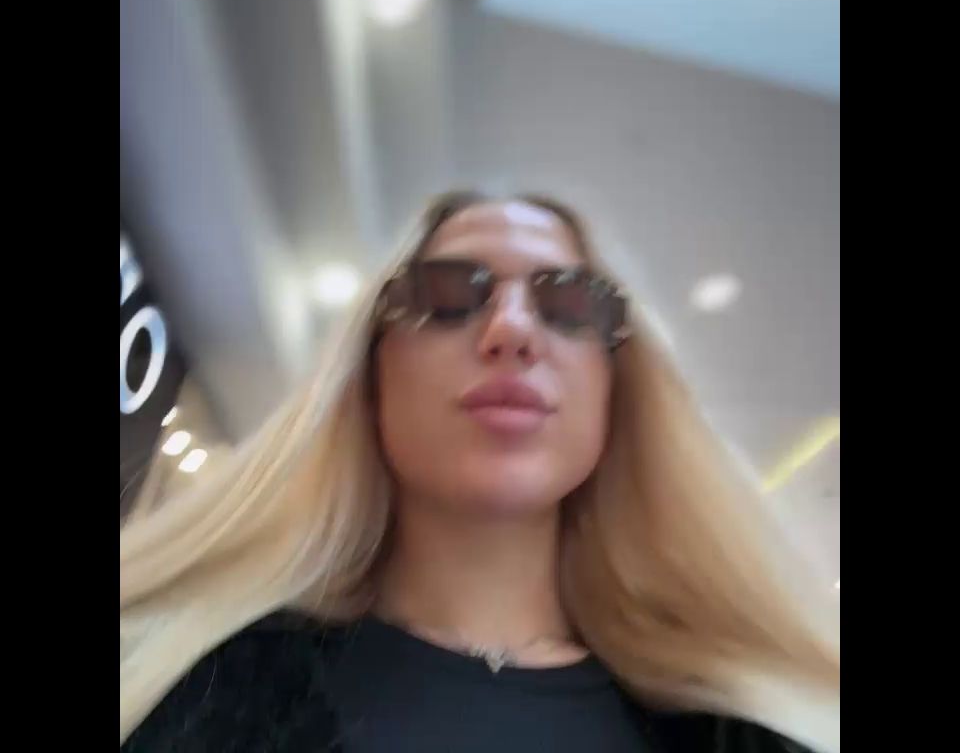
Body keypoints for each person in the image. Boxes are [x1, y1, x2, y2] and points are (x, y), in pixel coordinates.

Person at [120, 191, 839, 752]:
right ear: (369, 374)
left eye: (569, 303)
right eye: (446, 295)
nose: (512, 330)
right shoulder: (184, 684)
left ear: (614, 389)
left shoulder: (743, 731)